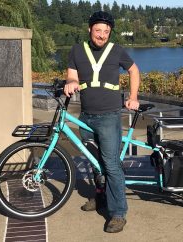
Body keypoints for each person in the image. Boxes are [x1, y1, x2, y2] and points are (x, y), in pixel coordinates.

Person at [64, 11, 140, 233]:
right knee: (94, 162)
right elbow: (72, 75)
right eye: (98, 30)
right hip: (86, 116)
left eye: (106, 31)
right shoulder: (77, 50)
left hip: (109, 116)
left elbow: (134, 70)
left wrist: (133, 97)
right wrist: (70, 82)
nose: (102, 35)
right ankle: (101, 198)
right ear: (90, 30)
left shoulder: (116, 50)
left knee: (111, 164)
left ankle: (118, 213)